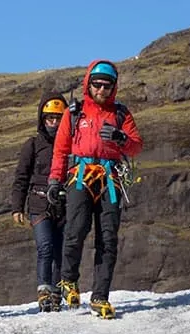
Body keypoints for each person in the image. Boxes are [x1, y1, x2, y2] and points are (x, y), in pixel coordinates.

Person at [48, 60, 144, 319]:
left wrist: (122, 139)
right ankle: (68, 280)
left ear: (114, 87)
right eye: (97, 84)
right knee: (76, 229)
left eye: (107, 85)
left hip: (110, 178)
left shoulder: (121, 114)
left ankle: (100, 296)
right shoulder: (74, 112)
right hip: (80, 176)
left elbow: (136, 145)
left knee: (108, 238)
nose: (101, 90)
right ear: (88, 84)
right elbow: (61, 149)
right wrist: (54, 181)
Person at [10, 93, 69, 312]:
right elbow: (21, 177)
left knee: (60, 250)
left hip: (65, 206)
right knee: (45, 247)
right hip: (38, 204)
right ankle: (44, 289)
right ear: (42, 119)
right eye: (49, 118)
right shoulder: (32, 145)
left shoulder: (72, 145)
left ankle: (56, 292)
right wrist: (17, 207)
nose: (53, 123)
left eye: (58, 118)